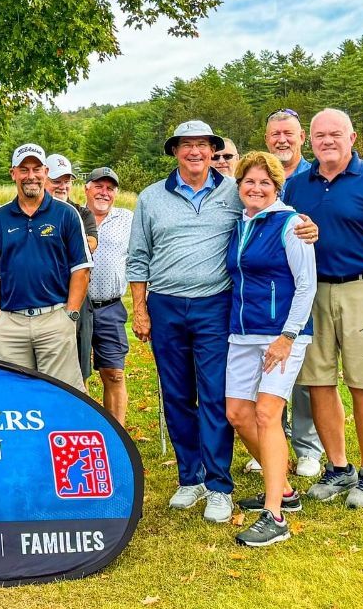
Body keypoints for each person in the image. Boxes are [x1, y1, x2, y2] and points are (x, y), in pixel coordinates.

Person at [127, 120, 318, 525]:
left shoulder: (232, 190)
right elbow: (138, 257)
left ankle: (218, 485)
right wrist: (140, 308)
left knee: (216, 396)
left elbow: (269, 205)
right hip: (165, 304)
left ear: (213, 151)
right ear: (175, 151)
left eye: (202, 145)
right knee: (176, 395)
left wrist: (306, 224)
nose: (194, 152)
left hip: (215, 306)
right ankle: (189, 478)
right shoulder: (150, 198)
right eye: (186, 145)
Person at [283, 108, 363, 509]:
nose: (327, 141)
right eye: (319, 136)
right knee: (317, 380)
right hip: (313, 290)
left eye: (335, 134)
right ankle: (338, 467)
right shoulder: (297, 185)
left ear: (352, 137)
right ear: (311, 141)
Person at [221, 153, 317, 547]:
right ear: (239, 185)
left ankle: (275, 515)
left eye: (265, 182)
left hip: (282, 335)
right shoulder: (239, 224)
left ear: (277, 188)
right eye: (249, 181)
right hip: (242, 333)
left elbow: (306, 284)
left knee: (266, 414)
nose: (256, 188)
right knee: (237, 413)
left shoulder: (292, 224)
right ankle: (284, 488)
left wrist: (288, 335)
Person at [0, 144, 91, 391]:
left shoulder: (66, 214)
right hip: (10, 323)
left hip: (54, 318)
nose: (31, 175)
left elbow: (81, 269)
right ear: (13, 173)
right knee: (14, 398)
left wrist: (70, 315)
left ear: (45, 172)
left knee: (61, 394)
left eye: (37, 168)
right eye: (24, 169)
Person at [250, 108, 323, 478]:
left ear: (302, 138)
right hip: (266, 295)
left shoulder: (315, 177)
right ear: (267, 139)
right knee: (268, 370)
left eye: (289, 133)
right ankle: (273, 436)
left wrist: (314, 231)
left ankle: (308, 446)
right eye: (275, 133)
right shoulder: (258, 176)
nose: (282, 139)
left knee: (305, 371)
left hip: (308, 284)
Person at [44, 153, 99, 382]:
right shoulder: (33, 214)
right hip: (45, 299)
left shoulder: (82, 213)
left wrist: (50, 242)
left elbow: (90, 245)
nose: (63, 186)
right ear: (44, 179)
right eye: (57, 181)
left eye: (67, 180)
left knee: (78, 368)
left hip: (77, 297)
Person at [84, 167, 132, 425]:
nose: (104, 192)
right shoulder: (73, 215)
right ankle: (85, 431)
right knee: (77, 374)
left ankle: (117, 438)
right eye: (98, 186)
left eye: (110, 188)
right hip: (76, 306)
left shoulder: (127, 219)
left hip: (110, 306)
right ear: (87, 188)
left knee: (114, 373)